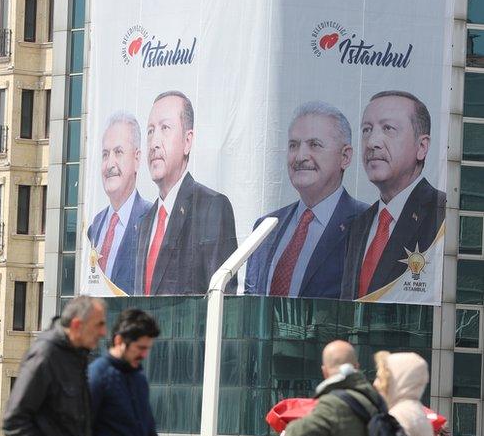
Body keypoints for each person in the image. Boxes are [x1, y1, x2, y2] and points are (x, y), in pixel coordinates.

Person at [245, 102, 368, 298]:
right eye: (293, 145)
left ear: (345, 157)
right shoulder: (265, 228)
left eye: (314, 145)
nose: (300, 156)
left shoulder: (368, 225)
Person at [341, 91, 446, 300]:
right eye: (367, 130)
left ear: (422, 147)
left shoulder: (443, 213)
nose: (372, 142)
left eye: (388, 128)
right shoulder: (357, 225)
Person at [135, 90, 238, 295]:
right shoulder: (145, 222)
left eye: (165, 128)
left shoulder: (211, 208)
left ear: (187, 141)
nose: (154, 143)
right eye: (150, 131)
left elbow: (224, 301)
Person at [3, 296, 107, 436]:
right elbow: (15, 419)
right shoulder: (46, 354)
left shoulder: (76, 357)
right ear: (76, 325)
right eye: (99, 325)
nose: (104, 332)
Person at [282, 340, 382, 436]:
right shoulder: (376, 399)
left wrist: (290, 428)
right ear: (356, 366)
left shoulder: (331, 404)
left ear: (324, 371)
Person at [88, 308, 166, 436]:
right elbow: (81, 435)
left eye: (148, 349)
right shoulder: (97, 375)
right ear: (119, 341)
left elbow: (149, 433)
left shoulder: (139, 379)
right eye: (140, 348)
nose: (144, 355)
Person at [88, 112, 151, 295]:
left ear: (137, 159)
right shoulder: (95, 226)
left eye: (118, 152)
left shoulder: (152, 220)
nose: (110, 164)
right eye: (105, 154)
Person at [373, 351, 433, 436]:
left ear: (396, 380)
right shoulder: (414, 412)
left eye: (380, 378)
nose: (375, 384)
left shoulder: (400, 416)